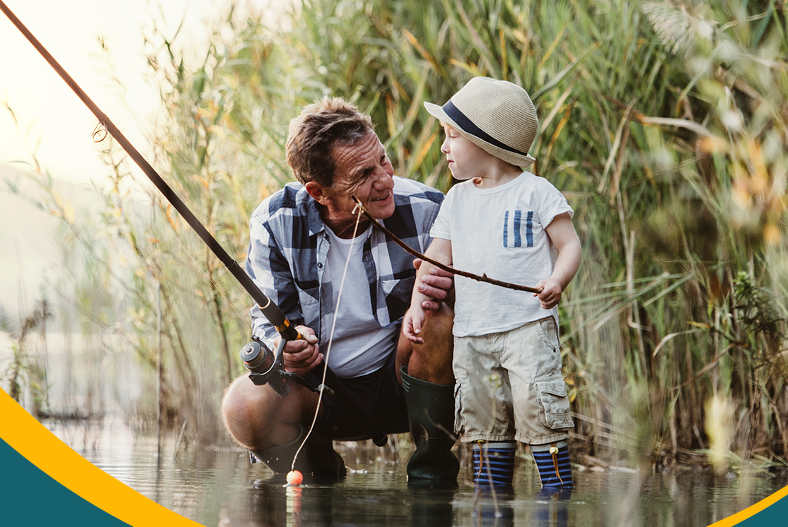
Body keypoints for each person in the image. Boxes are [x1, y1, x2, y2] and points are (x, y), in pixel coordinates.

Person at [221, 97, 460, 483]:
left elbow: (465, 313)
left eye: (383, 160)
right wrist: (287, 347)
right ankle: (317, 476)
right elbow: (265, 322)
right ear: (318, 191)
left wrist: (448, 289)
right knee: (242, 405)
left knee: (439, 317)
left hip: (401, 382)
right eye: (363, 175)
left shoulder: (429, 208)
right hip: (318, 391)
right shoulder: (274, 221)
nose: (385, 180)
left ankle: (432, 478)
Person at [403, 77, 582, 489]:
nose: (444, 147)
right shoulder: (457, 199)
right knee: (484, 424)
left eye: (452, 136)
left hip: (527, 329)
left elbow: (569, 245)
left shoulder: (536, 192)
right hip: (472, 335)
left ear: (484, 141)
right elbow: (434, 260)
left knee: (539, 414)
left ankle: (556, 503)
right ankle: (491, 511)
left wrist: (557, 280)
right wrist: (416, 305)